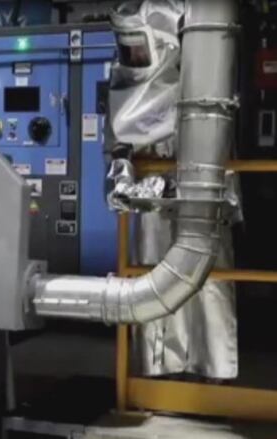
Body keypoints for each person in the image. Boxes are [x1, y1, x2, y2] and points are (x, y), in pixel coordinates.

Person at [106, 0, 238, 380]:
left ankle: (216, 368)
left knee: (209, 278)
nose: (132, 55)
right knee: (152, 277)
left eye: (138, 45)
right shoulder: (123, 81)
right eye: (126, 46)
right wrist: (122, 176)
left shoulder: (198, 80)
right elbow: (116, 146)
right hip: (152, 203)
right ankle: (158, 370)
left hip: (198, 194)